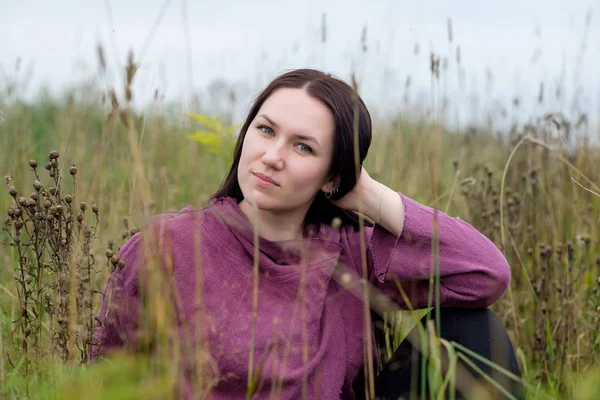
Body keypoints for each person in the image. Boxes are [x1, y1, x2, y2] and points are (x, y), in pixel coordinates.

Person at [91, 69, 523, 399]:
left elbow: (485, 275)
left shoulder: (351, 258)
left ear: (332, 175)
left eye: (303, 147)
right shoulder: (168, 245)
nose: (272, 157)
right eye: (265, 130)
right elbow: (104, 376)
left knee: (474, 329)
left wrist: (368, 195)